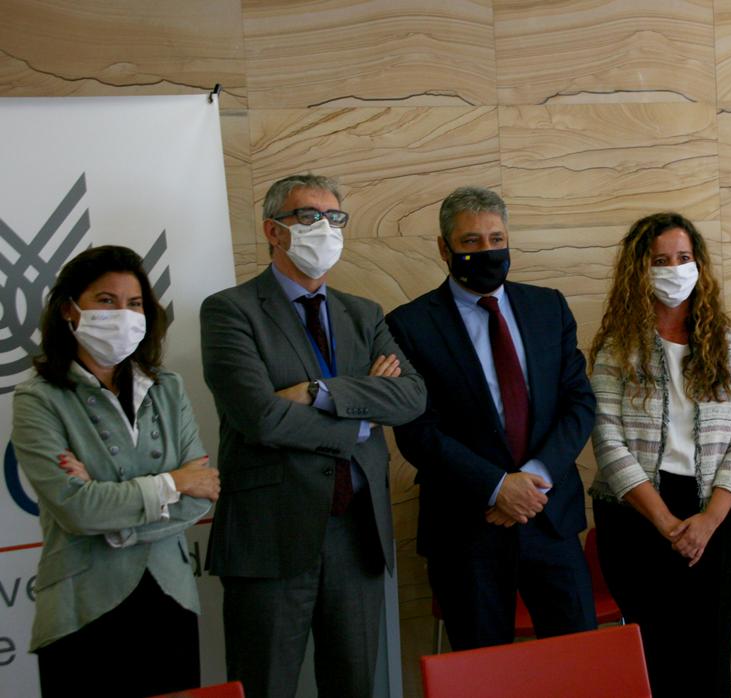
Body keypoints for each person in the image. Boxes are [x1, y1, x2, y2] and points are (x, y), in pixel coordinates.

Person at [200, 174, 426, 697]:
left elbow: (412, 398)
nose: (325, 228)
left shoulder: (362, 313)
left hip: (357, 534)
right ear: (273, 231)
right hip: (271, 536)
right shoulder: (229, 310)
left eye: (334, 217)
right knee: (265, 685)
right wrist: (363, 413)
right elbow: (258, 416)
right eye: (308, 216)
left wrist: (318, 390)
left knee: (353, 685)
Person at [386, 186, 597, 650]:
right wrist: (499, 487)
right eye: (471, 242)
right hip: (467, 530)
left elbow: (579, 403)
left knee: (581, 664)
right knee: (484, 674)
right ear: (445, 248)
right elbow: (417, 432)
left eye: (496, 239)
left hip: (550, 518)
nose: (487, 251)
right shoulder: (408, 324)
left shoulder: (548, 307)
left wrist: (534, 479)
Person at [11, 245, 219, 697]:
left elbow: (201, 495)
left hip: (170, 599)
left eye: (134, 303)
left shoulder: (167, 387)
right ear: (69, 308)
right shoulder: (39, 400)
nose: (123, 314)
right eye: (106, 301)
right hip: (81, 607)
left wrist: (114, 510)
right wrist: (170, 482)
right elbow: (77, 512)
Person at [588, 212, 731, 697]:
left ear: (699, 265)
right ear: (638, 271)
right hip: (638, 519)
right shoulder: (616, 350)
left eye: (684, 258)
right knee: (657, 661)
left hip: (719, 519)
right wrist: (666, 523)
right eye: (660, 260)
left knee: (709, 661)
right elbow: (606, 439)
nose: (674, 269)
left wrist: (707, 521)